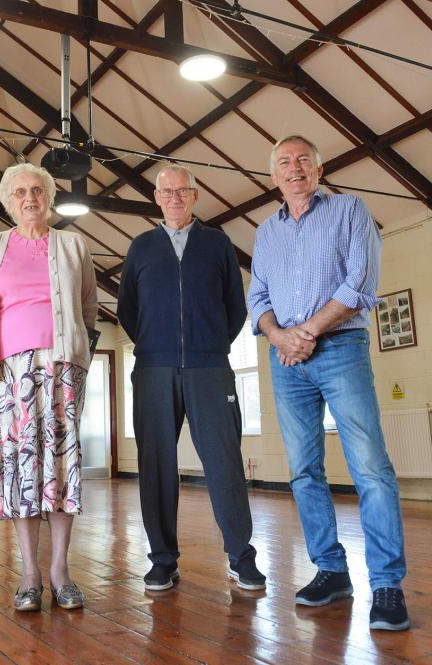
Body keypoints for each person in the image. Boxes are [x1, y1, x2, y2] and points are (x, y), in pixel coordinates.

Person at [248, 135, 408, 631]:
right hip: (286, 361)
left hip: (340, 349)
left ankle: (386, 584)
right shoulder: (265, 233)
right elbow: (257, 299)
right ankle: (331, 570)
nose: (293, 169)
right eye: (283, 163)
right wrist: (279, 336)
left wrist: (307, 333)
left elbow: (360, 283)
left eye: (302, 160)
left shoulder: (349, 210)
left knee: (371, 468)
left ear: (319, 169)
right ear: (274, 176)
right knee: (303, 471)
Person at [117, 164, 265, 593]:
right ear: (157, 198)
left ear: (196, 196)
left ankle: (242, 558)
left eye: (183, 191)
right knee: (156, 466)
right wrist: (153, 343)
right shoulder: (141, 247)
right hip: (153, 370)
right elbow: (128, 307)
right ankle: (162, 560)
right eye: (168, 192)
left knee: (224, 463)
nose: (175, 198)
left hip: (210, 368)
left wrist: (211, 344)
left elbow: (236, 307)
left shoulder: (217, 243)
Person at [0, 162, 98, 612]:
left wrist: (78, 364)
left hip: (61, 370)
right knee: (23, 473)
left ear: (49, 197)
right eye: (19, 191)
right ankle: (29, 573)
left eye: (37, 190)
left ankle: (60, 571)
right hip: (11, 373)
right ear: (8, 201)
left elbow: (88, 310)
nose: (29, 198)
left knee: (59, 470)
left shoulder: (73, 245)